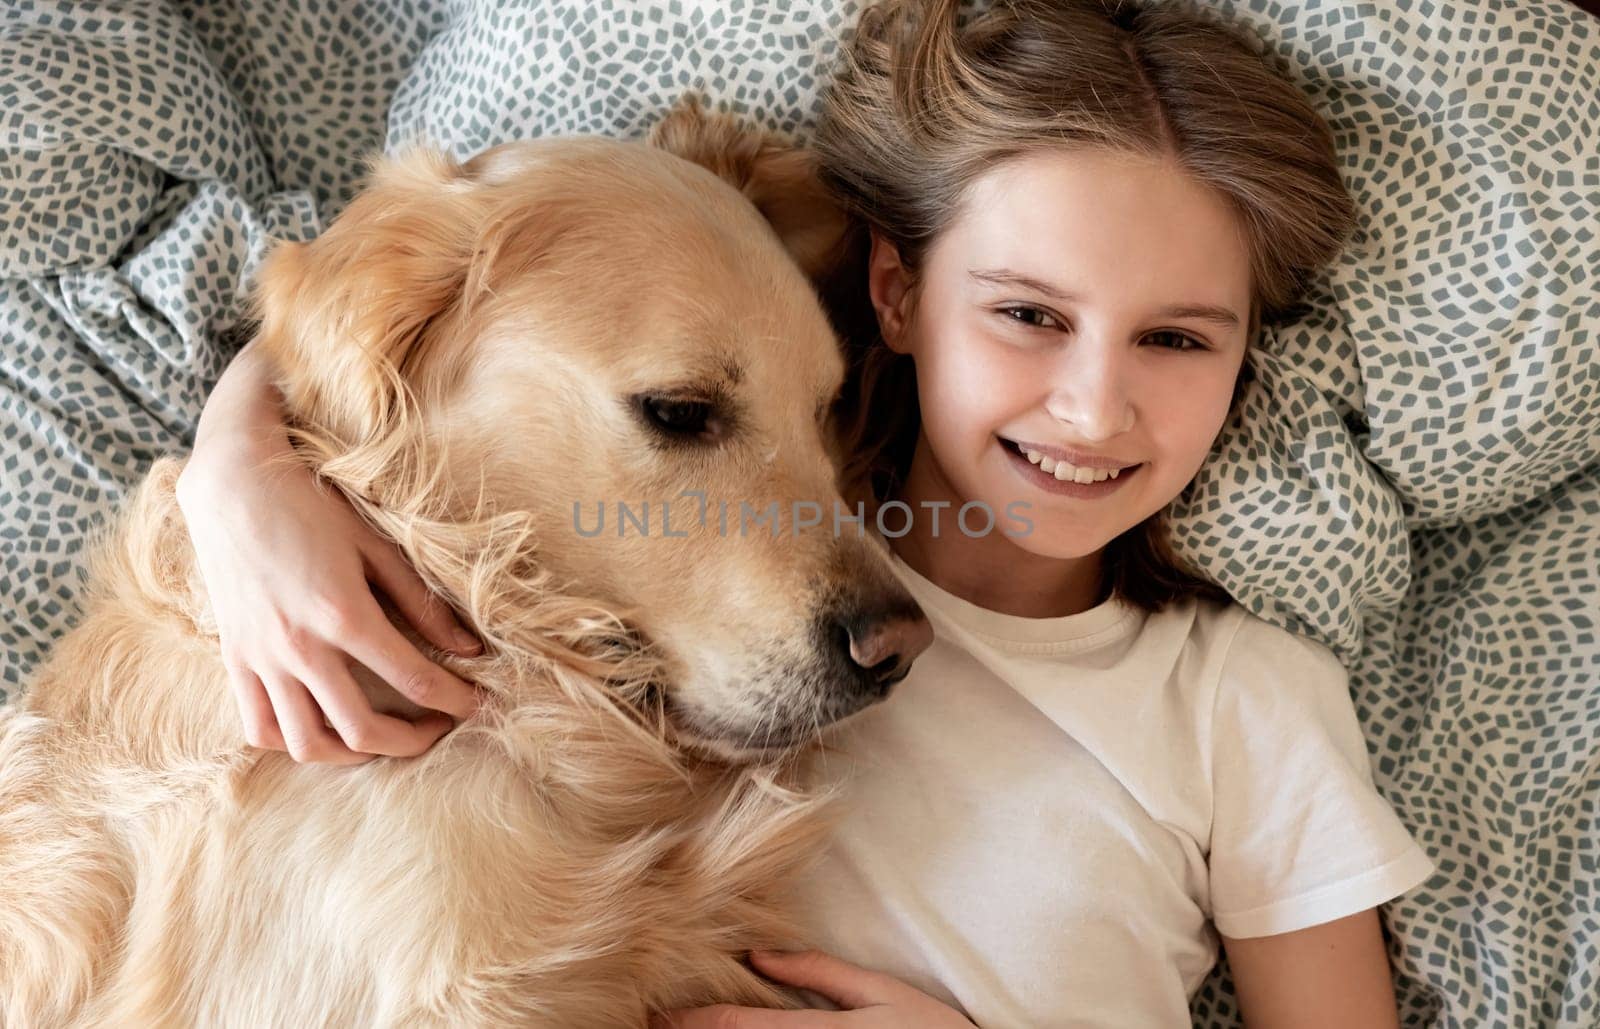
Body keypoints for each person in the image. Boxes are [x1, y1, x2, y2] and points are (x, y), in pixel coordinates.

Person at [175, 0, 1435, 1024]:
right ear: (892, 292)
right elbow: (486, 316)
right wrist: (242, 463)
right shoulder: (638, 589)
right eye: (1028, 315)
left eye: (1174, 338)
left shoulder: (1244, 703)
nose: (1092, 409)